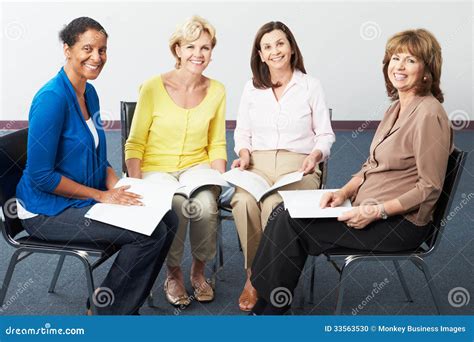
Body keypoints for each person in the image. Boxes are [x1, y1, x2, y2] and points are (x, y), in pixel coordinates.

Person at [250, 28, 453, 315]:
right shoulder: (396, 108)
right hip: (365, 206)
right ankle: (266, 298)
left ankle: (268, 309)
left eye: (411, 60)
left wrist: (377, 211)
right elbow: (372, 165)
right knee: (283, 212)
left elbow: (429, 187)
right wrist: (345, 191)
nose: (400, 67)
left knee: (290, 224)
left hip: (398, 224)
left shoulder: (429, 114)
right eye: (395, 59)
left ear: (427, 69)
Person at [15, 17, 178, 315]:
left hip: (81, 199)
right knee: (149, 234)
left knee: (168, 218)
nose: (96, 57)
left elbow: (96, 155)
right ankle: (106, 315)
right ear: (67, 49)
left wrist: (118, 183)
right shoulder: (51, 99)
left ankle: (118, 305)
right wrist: (101, 196)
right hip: (46, 210)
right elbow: (41, 177)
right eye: (87, 49)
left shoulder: (89, 92)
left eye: (102, 50)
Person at [230, 21, 335, 311]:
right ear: (260, 55)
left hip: (298, 164)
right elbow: (242, 132)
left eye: (280, 43)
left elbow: (325, 134)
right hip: (258, 163)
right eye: (267, 47)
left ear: (290, 47)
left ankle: (273, 285)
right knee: (242, 202)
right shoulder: (251, 88)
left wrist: (315, 156)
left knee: (275, 206)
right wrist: (243, 152)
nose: (274, 51)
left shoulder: (310, 85)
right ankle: (253, 276)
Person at [125, 16, 227, 307]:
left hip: (197, 167)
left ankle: (198, 271)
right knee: (179, 204)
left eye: (206, 48)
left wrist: (218, 181)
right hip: (156, 168)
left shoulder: (217, 90)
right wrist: (135, 183)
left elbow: (217, 142)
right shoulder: (152, 87)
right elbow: (135, 143)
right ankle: (173, 273)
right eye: (191, 46)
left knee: (206, 204)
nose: (198, 54)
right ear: (178, 50)